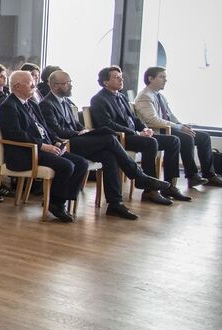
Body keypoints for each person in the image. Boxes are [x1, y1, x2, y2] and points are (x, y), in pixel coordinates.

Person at [40, 70, 170, 219]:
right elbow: (56, 130)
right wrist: (79, 133)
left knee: (109, 156)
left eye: (70, 82)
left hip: (76, 139)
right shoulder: (46, 104)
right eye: (66, 83)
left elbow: (75, 123)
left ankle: (115, 204)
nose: (70, 86)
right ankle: (139, 176)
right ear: (54, 86)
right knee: (110, 138)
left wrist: (84, 130)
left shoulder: (65, 101)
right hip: (66, 143)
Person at [0, 71, 89, 222]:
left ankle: (59, 200)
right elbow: (15, 134)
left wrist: (56, 141)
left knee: (82, 163)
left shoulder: (32, 103)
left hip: (43, 148)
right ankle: (56, 204)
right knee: (66, 166)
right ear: (17, 87)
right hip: (25, 152)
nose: (35, 85)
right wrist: (42, 146)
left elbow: (45, 128)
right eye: (30, 83)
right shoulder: (8, 106)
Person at [89, 66, 187, 205]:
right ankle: (150, 190)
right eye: (116, 77)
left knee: (173, 141)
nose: (121, 80)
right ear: (105, 82)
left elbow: (134, 119)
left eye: (121, 77)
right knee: (150, 143)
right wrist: (135, 133)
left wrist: (145, 129)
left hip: (134, 135)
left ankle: (169, 186)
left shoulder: (122, 97)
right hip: (119, 138)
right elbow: (106, 124)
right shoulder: (98, 99)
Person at [134, 66, 222, 188]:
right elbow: (152, 120)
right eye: (161, 77)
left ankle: (209, 175)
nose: (165, 80)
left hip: (168, 128)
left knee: (204, 137)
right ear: (150, 79)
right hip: (158, 131)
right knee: (186, 138)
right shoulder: (145, 96)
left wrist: (181, 125)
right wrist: (179, 128)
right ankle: (192, 176)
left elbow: (170, 116)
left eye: (165, 77)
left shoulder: (160, 96)